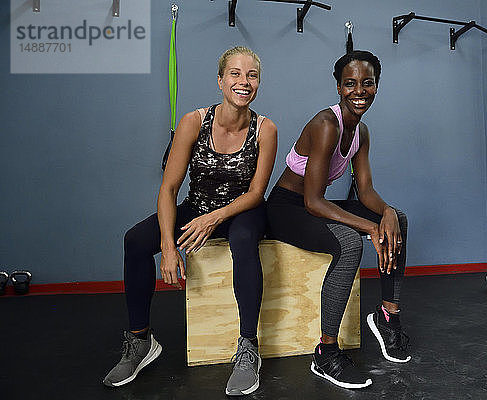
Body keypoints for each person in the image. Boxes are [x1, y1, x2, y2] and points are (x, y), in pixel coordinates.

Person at [103, 46, 278, 396]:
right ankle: (140, 341)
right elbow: (168, 188)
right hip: (196, 206)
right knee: (136, 241)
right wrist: (169, 246)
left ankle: (248, 347)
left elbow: (257, 193)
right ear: (220, 80)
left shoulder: (265, 129)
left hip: (242, 211)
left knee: (243, 240)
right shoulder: (194, 122)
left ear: (258, 82)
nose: (244, 82)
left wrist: (214, 218)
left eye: (252, 75)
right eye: (235, 74)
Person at [266, 47, 409, 389]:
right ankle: (326, 352)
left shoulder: (362, 132)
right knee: (348, 243)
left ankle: (388, 317)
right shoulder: (326, 124)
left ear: (376, 86)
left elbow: (366, 191)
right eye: (350, 83)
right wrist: (370, 227)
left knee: (399, 219)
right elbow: (313, 202)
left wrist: (385, 212)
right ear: (339, 87)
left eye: (367, 83)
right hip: (286, 208)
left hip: (312, 203)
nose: (359, 91)